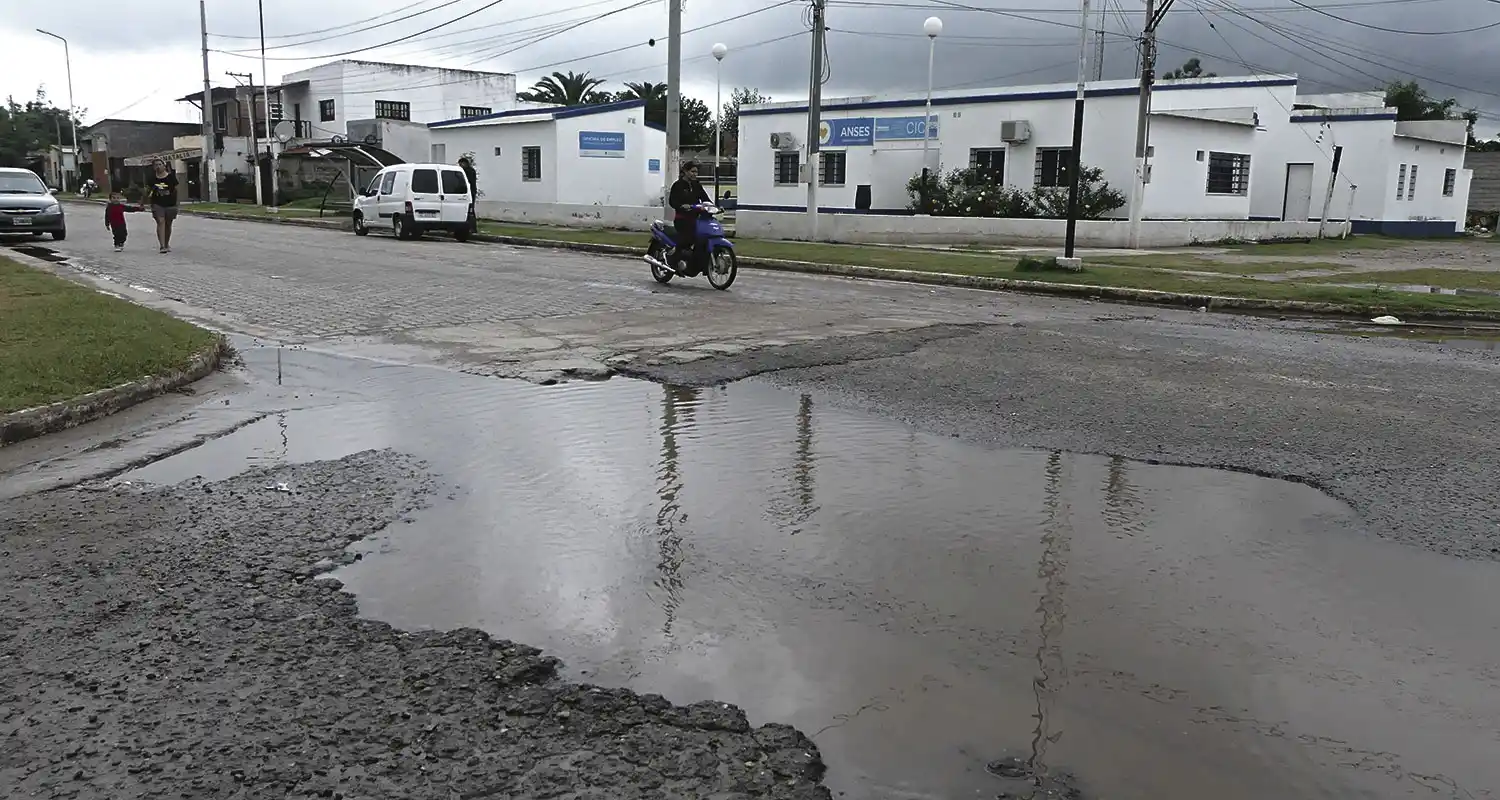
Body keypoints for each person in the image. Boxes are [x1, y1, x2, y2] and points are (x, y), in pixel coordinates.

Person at [668, 161, 711, 274]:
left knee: (703, 238)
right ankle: (674, 260)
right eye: (692, 171)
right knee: (687, 239)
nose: (695, 174)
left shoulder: (697, 185)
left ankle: (696, 264)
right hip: (682, 219)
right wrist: (682, 206)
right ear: (685, 171)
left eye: (696, 172)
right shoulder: (678, 185)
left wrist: (712, 207)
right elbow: (672, 201)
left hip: (696, 219)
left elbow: (705, 199)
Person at [145, 159, 180, 253]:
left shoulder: (171, 177)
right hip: (157, 203)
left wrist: (177, 203)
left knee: (168, 224)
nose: (158, 166)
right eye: (156, 165)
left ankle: (166, 243)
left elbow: (176, 189)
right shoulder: (152, 178)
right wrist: (144, 201)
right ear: (153, 167)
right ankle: (162, 245)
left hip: (170, 203)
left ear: (164, 166)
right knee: (160, 222)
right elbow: (148, 190)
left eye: (160, 164)